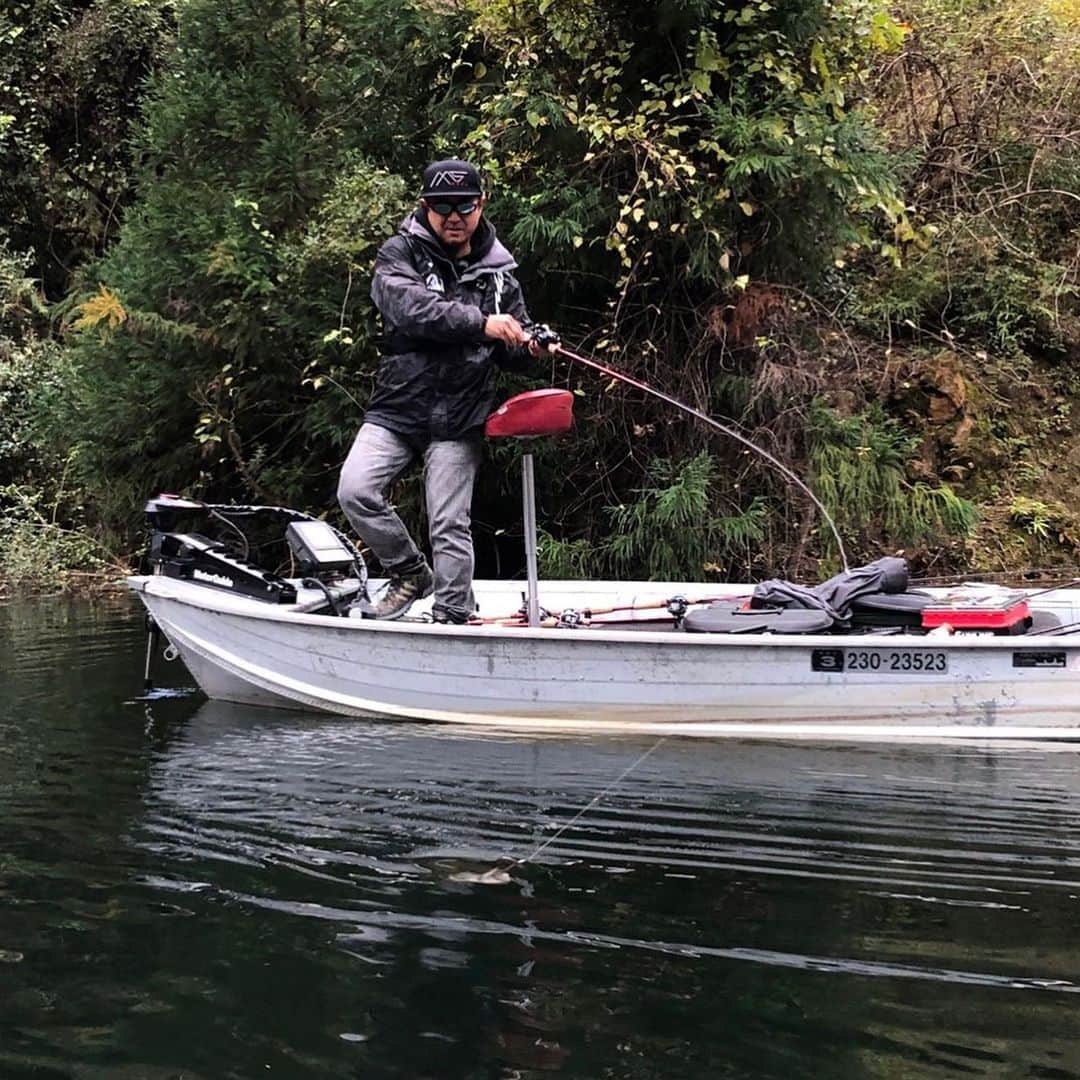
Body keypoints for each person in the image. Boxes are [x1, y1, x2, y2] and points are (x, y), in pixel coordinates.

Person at [337, 158, 544, 623]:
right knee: (355, 490)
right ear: (425, 206)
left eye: (464, 205)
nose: (454, 216)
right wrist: (484, 324)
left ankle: (453, 615)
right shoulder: (399, 254)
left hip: (461, 417)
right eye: (442, 206)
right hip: (396, 409)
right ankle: (410, 573)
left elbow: (510, 344)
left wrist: (531, 345)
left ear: (481, 205)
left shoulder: (500, 274)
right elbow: (413, 310)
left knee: (450, 524)